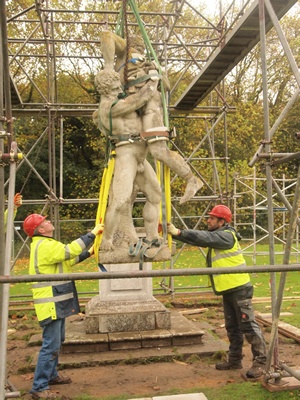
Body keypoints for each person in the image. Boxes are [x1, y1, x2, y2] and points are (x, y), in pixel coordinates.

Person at [100, 30, 203, 204]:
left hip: (150, 106)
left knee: (158, 151)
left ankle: (191, 178)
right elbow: (167, 86)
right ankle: (188, 179)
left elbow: (106, 36)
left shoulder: (130, 54)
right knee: (144, 148)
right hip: (142, 105)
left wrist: (109, 67)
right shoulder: (135, 59)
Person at [167, 204, 267, 379]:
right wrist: (179, 235)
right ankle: (235, 359)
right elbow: (201, 239)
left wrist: (179, 232)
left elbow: (204, 238)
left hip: (239, 288)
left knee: (248, 326)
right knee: (232, 327)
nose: (208, 220)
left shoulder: (227, 237)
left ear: (222, 222)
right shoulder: (219, 236)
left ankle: (261, 363)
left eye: (212, 218)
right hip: (229, 289)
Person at [23, 214, 104, 399]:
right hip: (50, 303)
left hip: (54, 302)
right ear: (41, 230)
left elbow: (68, 260)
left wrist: (89, 252)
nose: (49, 221)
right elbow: (68, 251)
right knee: (51, 345)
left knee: (57, 341)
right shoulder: (44, 245)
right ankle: (39, 387)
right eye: (45, 221)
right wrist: (92, 233)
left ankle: (51, 376)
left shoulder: (47, 245)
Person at [94, 68, 162, 251]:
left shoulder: (117, 100)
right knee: (120, 199)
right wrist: (153, 80)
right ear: (106, 89)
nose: (119, 89)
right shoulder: (109, 107)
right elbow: (140, 99)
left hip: (141, 154)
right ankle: (107, 239)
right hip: (127, 153)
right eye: (115, 86)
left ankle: (152, 236)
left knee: (155, 195)